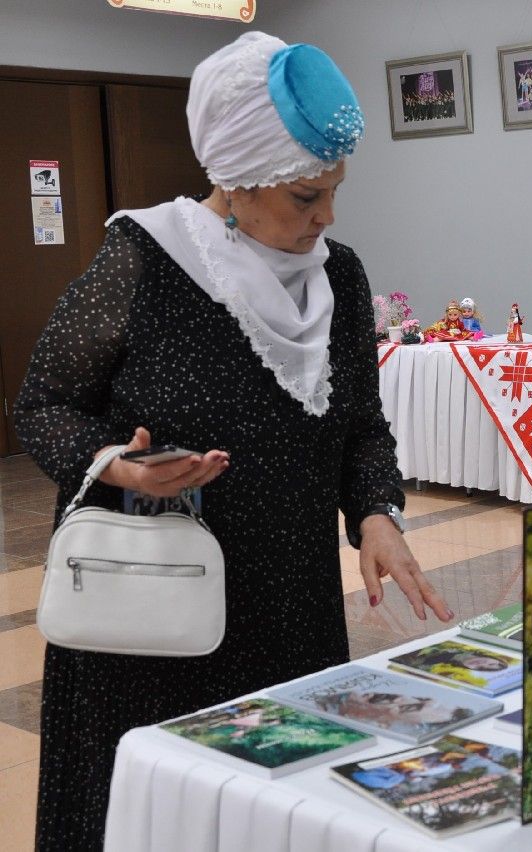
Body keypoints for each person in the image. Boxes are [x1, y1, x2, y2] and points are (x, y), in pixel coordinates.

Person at [14, 32, 452, 851]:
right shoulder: (142, 261)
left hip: (288, 605)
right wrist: (122, 467)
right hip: (155, 616)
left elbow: (360, 425)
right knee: (162, 808)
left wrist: (375, 514)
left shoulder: (339, 275)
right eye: (303, 197)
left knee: (275, 805)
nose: (325, 218)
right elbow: (44, 406)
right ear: (232, 180)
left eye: (333, 193)